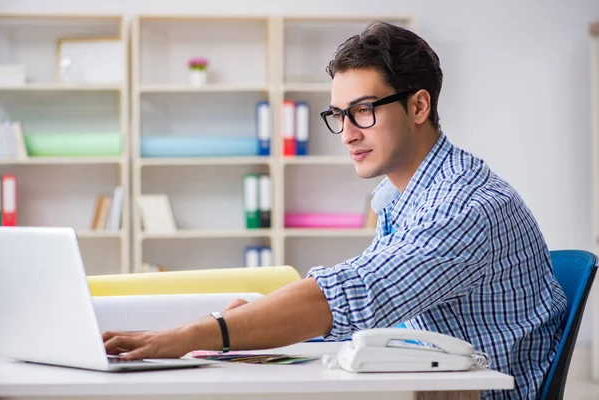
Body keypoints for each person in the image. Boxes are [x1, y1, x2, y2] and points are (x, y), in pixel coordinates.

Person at [102, 22, 566, 399]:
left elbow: (357, 293)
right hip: (432, 380)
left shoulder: (464, 206)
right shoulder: (403, 196)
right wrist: (258, 321)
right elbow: (379, 307)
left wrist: (196, 335)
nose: (346, 134)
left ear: (419, 105)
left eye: (363, 111)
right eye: (338, 115)